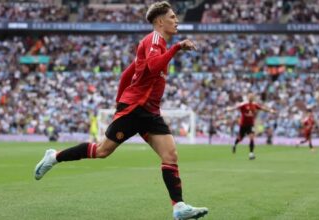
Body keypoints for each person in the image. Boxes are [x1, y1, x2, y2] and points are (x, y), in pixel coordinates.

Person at [34, 2, 208, 219]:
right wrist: (177, 47)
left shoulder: (157, 44)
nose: (177, 20)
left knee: (170, 154)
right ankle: (55, 156)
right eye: (172, 17)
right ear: (160, 21)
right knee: (102, 151)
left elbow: (128, 73)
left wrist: (118, 99)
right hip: (135, 109)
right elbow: (153, 67)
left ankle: (179, 206)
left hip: (150, 112)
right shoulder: (154, 40)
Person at [227, 93, 276, 160]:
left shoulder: (255, 104)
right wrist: (230, 109)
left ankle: (251, 154)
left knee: (252, 137)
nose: (251, 98)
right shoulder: (243, 104)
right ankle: (234, 145)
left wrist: (270, 110)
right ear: (247, 97)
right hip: (243, 124)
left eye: (252, 97)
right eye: (250, 97)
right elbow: (236, 107)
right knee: (240, 138)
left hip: (250, 124)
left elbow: (262, 108)